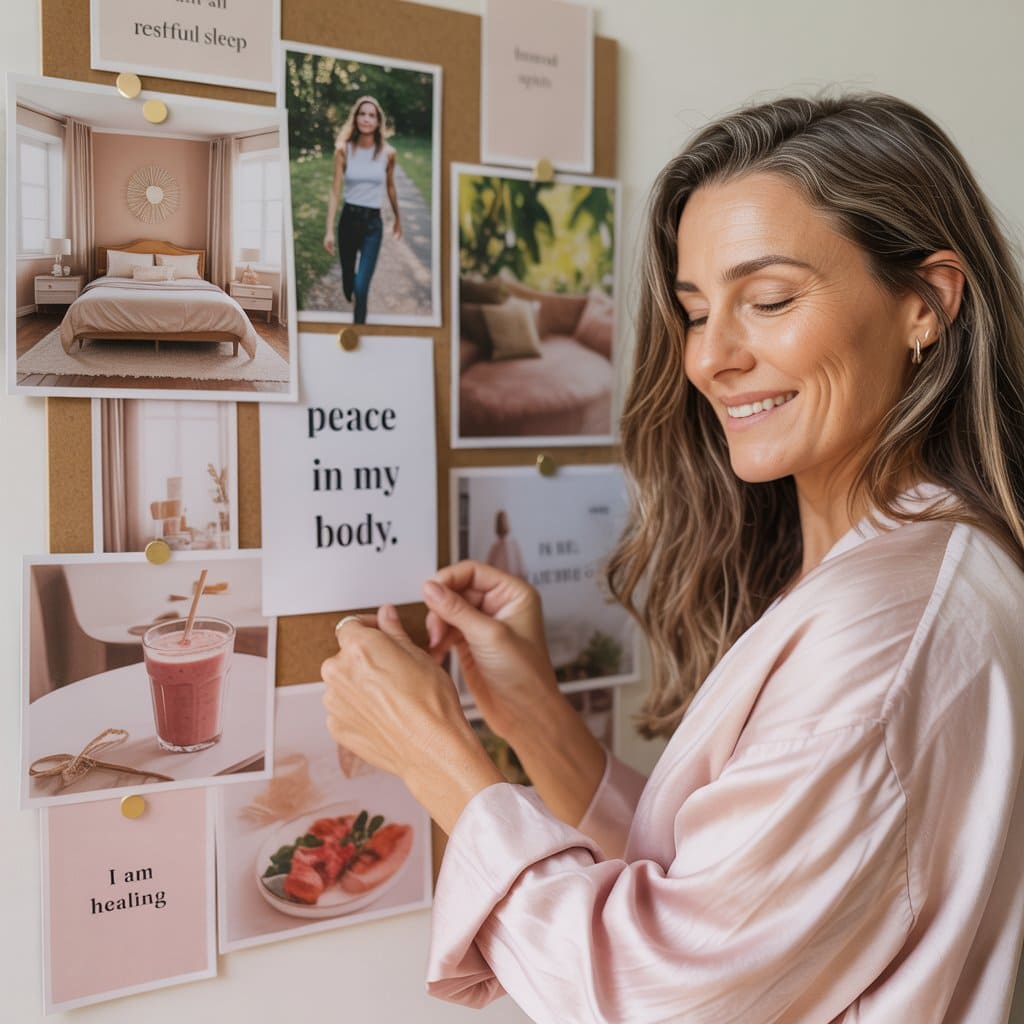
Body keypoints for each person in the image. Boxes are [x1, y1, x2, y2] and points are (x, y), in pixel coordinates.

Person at [321, 93, 1024, 1022]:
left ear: (927, 304)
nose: (711, 358)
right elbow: (736, 903)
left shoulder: (888, 627)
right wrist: (537, 719)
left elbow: (662, 995)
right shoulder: (881, 569)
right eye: (697, 311)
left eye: (768, 300)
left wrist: (437, 758)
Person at [323, 95, 402, 324]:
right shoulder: (343, 150)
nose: (366, 118)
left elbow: (391, 187)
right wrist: (329, 230)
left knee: (361, 286)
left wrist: (398, 218)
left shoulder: (388, 153)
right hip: (348, 221)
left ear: (378, 122)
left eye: (372, 115)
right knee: (349, 280)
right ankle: (347, 284)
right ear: (356, 118)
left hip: (372, 226)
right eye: (362, 113)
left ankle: (359, 330)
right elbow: (335, 191)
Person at [485, 509, 527, 580]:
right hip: (500, 582)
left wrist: (523, 577)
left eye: (505, 520)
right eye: (501, 521)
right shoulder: (495, 547)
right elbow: (488, 567)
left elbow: (521, 566)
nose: (504, 523)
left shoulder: (514, 545)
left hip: (515, 581)